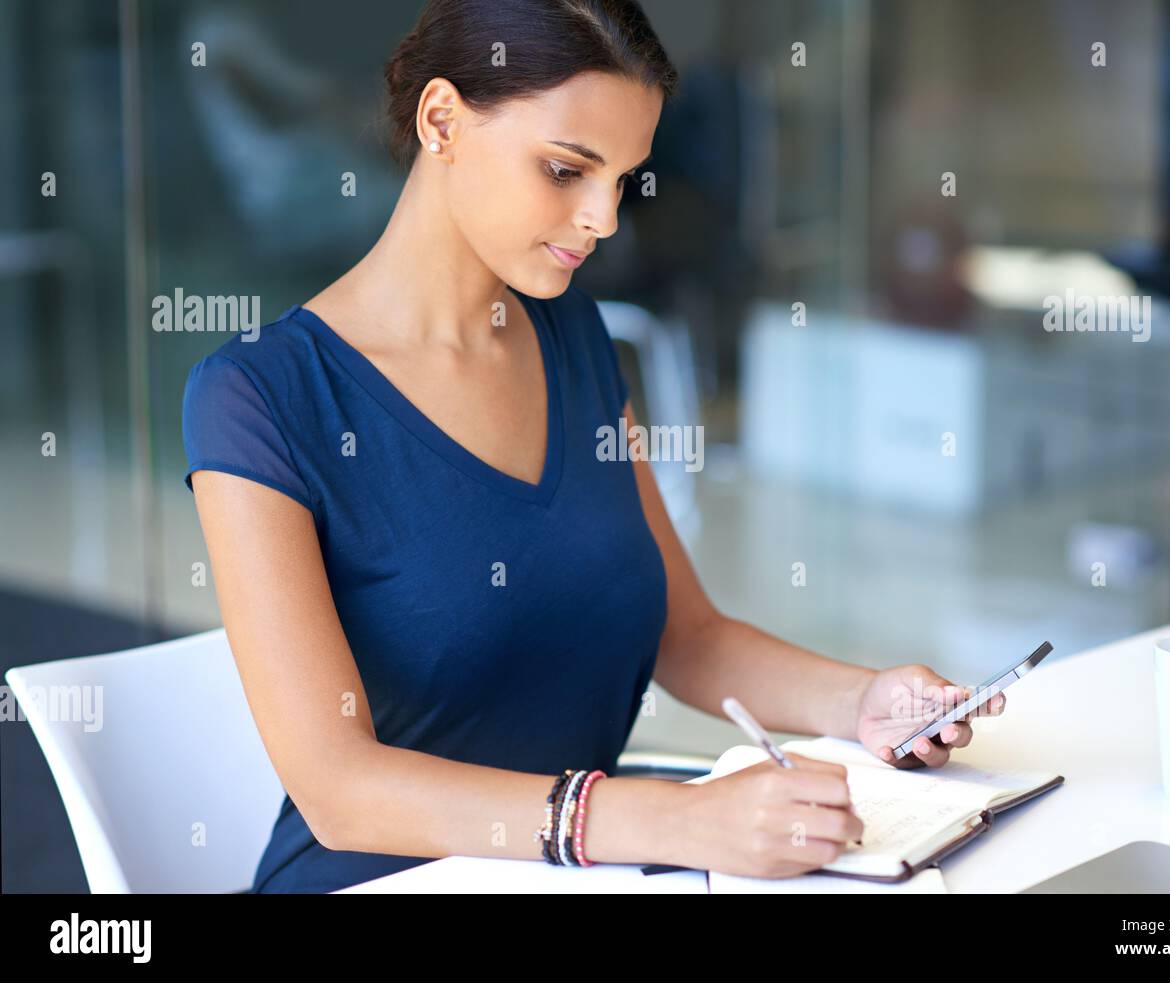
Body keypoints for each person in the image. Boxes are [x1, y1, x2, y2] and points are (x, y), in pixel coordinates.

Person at [182, 0, 1004, 893]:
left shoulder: (570, 336)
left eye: (621, 179)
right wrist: (670, 818)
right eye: (567, 169)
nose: (603, 219)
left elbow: (686, 637)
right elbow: (340, 791)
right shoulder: (259, 397)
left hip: (579, 875)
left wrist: (866, 702)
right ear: (441, 120)